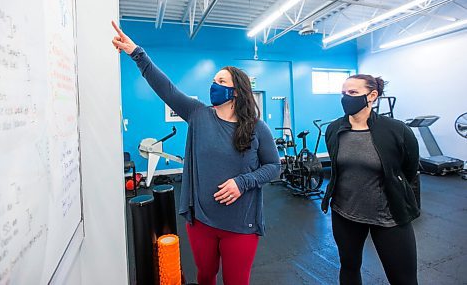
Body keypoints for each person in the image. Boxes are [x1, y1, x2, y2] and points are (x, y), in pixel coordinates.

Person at [111, 21, 280, 285]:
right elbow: (164, 87)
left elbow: (273, 166)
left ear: (236, 91)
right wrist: (136, 53)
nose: (214, 85)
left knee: (237, 281)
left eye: (221, 81)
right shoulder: (198, 114)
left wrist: (242, 182)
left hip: (241, 224)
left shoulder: (258, 128)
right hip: (202, 221)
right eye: (213, 80)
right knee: (204, 276)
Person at [321, 74, 420, 285]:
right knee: (349, 268)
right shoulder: (334, 129)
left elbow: (409, 170)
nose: (346, 98)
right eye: (343, 93)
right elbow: (338, 169)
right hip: (345, 213)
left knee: (404, 279)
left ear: (372, 95)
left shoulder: (397, 130)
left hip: (388, 215)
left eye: (353, 93)